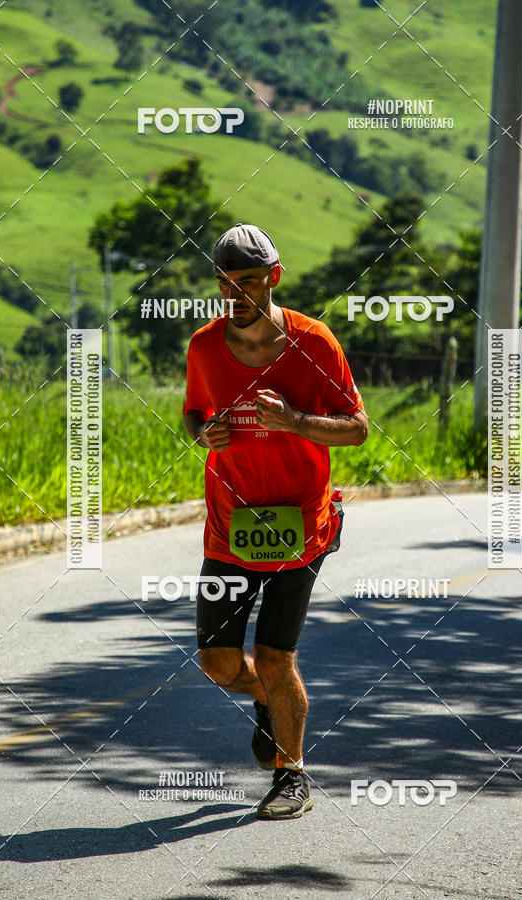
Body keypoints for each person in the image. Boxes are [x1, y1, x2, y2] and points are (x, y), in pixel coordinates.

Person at [183, 223, 367, 819]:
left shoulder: (314, 343)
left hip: (301, 528)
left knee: (276, 654)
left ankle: (292, 775)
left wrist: (296, 423)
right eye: (227, 284)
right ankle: (266, 699)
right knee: (218, 663)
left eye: (250, 282)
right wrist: (202, 434)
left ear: (274, 279)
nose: (238, 295)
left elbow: (358, 429)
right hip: (230, 530)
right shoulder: (204, 348)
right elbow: (192, 412)